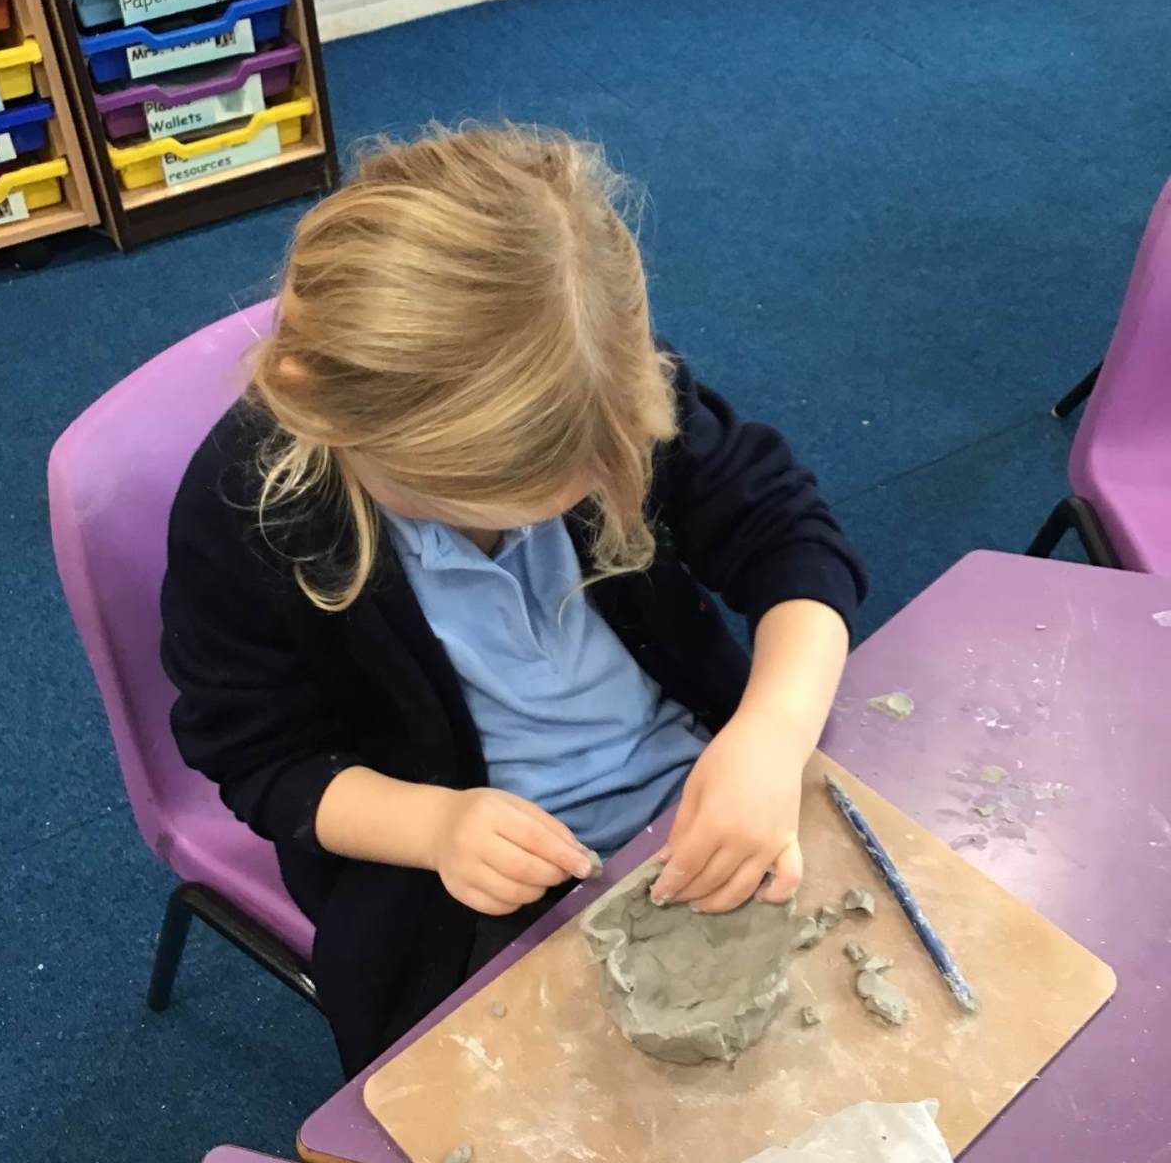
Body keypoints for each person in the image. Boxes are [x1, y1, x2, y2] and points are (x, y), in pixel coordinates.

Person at [160, 124, 866, 1076]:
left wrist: (770, 734)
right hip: (457, 873)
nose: (537, 519)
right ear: (327, 416)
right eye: (470, 502)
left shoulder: (589, 381)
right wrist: (436, 828)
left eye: (570, 494)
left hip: (708, 780)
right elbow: (259, 759)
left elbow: (787, 536)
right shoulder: (250, 512)